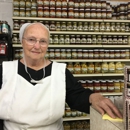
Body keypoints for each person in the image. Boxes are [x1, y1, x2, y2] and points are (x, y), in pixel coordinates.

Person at [0, 22, 122, 130]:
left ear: (47, 44)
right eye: (31, 39)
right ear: (22, 41)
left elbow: (77, 95)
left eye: (43, 41)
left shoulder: (60, 71)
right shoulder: (6, 70)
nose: (37, 46)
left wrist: (92, 97)